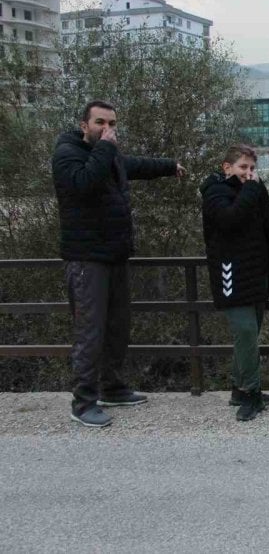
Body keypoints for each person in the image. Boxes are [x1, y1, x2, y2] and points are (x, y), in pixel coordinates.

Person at [52, 100, 186, 427]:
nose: (108, 129)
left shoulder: (106, 155)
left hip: (114, 256)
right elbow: (85, 183)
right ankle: (83, 403)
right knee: (90, 333)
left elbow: (133, 165)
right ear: (84, 125)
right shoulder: (67, 155)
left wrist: (170, 166)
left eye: (112, 123)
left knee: (116, 329)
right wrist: (106, 149)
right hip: (87, 261)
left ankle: (111, 387)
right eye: (100, 122)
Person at [200, 144, 269, 422]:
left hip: (256, 271)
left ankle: (238, 389)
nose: (249, 173)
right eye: (243, 167)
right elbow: (231, 220)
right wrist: (253, 188)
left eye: (252, 168)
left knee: (249, 333)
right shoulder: (215, 193)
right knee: (244, 333)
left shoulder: (252, 188)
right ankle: (252, 394)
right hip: (231, 272)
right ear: (227, 167)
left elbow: (267, 208)